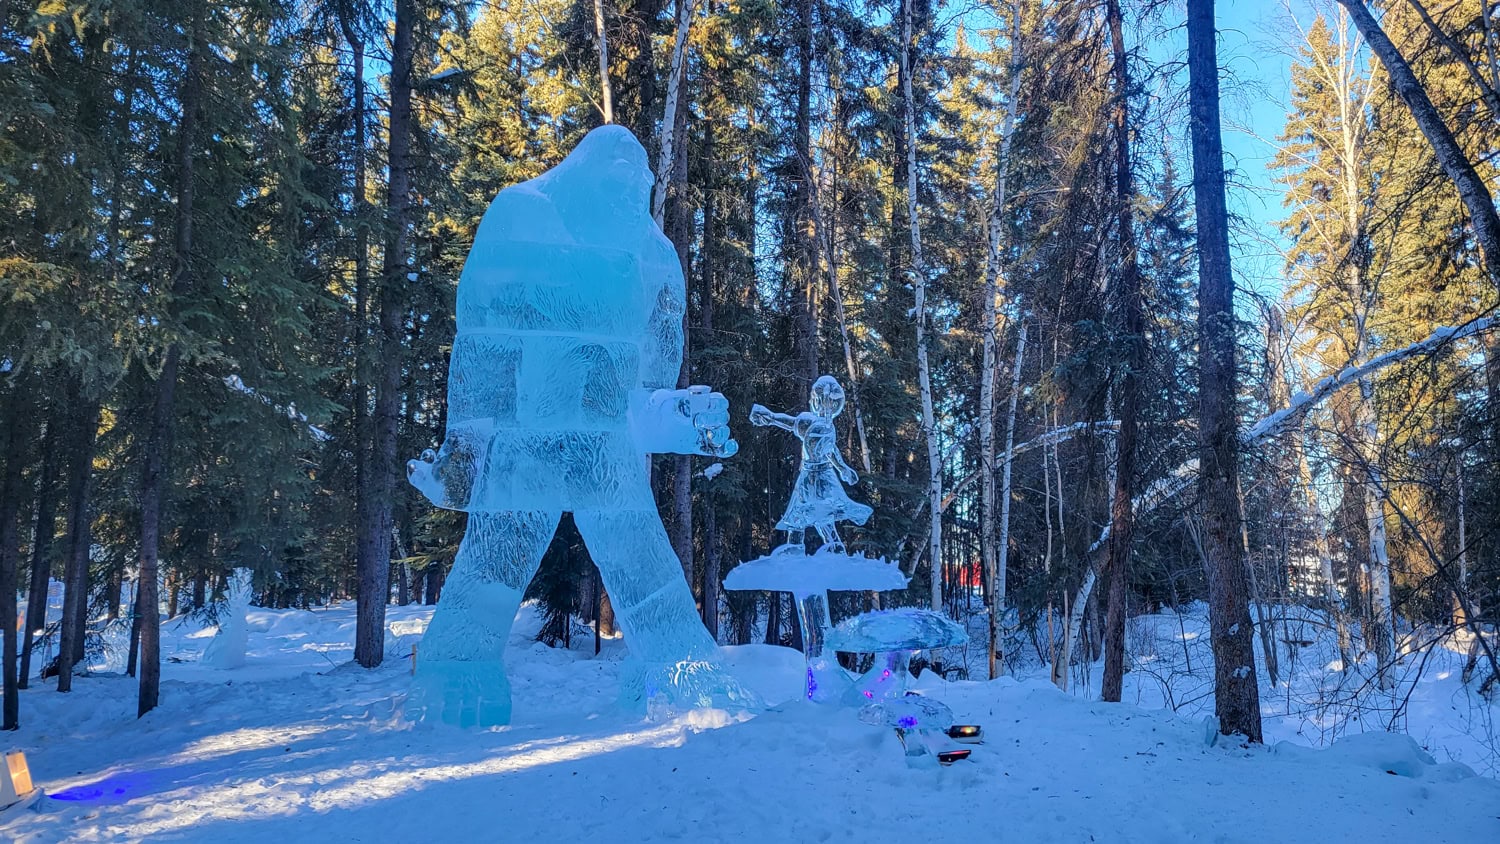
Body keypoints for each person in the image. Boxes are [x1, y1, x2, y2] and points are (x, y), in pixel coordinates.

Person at [750, 376, 872, 555]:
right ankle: (815, 547)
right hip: (815, 475)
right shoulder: (816, 423)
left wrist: (843, 468)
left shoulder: (822, 425)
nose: (825, 406)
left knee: (815, 511)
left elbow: (829, 450)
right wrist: (771, 417)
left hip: (818, 477)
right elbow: (793, 424)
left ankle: (819, 547)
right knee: (810, 512)